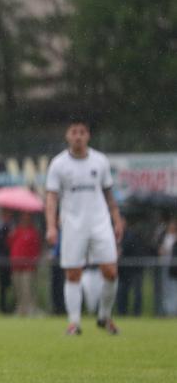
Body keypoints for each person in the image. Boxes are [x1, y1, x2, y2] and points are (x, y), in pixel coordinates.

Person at [45, 119, 123, 336]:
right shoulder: (59, 164)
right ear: (67, 136)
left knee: (111, 272)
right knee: (73, 274)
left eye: (82, 132)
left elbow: (109, 194)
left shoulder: (100, 161)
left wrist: (116, 220)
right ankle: (74, 323)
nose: (78, 136)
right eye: (74, 132)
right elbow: (51, 198)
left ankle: (104, 316)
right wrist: (51, 226)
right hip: (72, 225)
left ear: (88, 135)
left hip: (100, 223)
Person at [7, 212, 41, 316]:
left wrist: (34, 263)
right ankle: (21, 309)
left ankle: (30, 309)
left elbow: (36, 249)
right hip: (16, 266)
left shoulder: (33, 232)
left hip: (28, 267)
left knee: (28, 290)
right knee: (18, 290)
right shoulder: (16, 231)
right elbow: (9, 244)